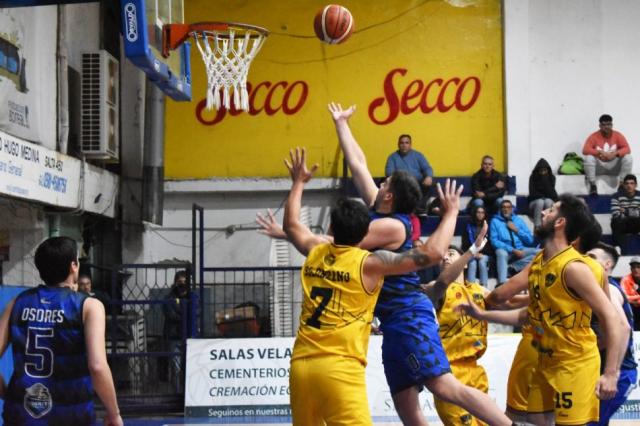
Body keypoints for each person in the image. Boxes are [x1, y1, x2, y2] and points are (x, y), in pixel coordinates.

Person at [327, 103, 511, 426]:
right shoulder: (380, 209)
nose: (379, 183)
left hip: (408, 316)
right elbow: (358, 164)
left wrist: (306, 238)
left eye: (385, 183)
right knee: (406, 406)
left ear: (390, 197)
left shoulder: (391, 226)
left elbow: (342, 241)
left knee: (446, 387)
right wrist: (342, 125)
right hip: (392, 321)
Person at [284, 147, 481, 425]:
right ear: (365, 232)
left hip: (301, 364)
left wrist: (298, 183)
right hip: (340, 367)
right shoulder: (370, 264)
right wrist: (450, 214)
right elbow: (432, 253)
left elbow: (292, 225)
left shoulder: (315, 249)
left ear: (332, 228)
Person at [460, 195, 629, 425]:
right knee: (535, 420)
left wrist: (611, 373)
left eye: (550, 210)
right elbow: (527, 314)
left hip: (574, 364)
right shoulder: (540, 261)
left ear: (560, 222)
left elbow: (612, 318)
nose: (542, 213)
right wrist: (482, 314)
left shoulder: (574, 268)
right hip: (545, 361)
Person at [0, 236, 122, 425]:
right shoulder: (89, 306)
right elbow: (97, 366)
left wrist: (6, 393)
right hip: (71, 414)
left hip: (23, 412)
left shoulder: (17, 302)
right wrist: (114, 413)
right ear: (73, 266)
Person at [420, 233, 494, 426]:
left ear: (465, 264)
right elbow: (443, 283)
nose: (445, 257)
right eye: (443, 256)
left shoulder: (478, 290)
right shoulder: (435, 287)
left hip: (475, 370)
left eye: (451, 254)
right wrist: (472, 250)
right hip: (448, 372)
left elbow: (506, 300)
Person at [587, 242, 638, 425]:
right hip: (608, 370)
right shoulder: (598, 287)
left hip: (620, 372)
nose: (586, 260)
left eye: (592, 257)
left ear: (607, 264)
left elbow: (622, 327)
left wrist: (612, 374)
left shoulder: (608, 287)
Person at [489, 199, 538, 286]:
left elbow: (530, 240)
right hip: (506, 251)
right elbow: (494, 241)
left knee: (540, 252)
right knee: (501, 252)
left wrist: (516, 230)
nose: (506, 209)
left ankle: (513, 267)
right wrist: (512, 250)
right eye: (503, 207)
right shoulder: (495, 221)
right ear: (500, 209)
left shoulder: (518, 220)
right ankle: (502, 283)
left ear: (512, 209)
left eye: (508, 207)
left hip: (520, 249)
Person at [583, 114, 633, 196]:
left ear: (612, 125)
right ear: (600, 126)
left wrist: (615, 154)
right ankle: (593, 185)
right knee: (588, 158)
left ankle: (621, 184)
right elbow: (585, 150)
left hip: (614, 167)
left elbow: (628, 149)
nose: (606, 127)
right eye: (604, 125)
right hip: (599, 167)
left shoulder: (618, 135)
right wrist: (600, 152)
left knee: (628, 158)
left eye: (608, 124)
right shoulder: (593, 136)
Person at [385, 134, 433, 212]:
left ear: (410, 145)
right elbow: (389, 172)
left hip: (417, 183)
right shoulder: (392, 157)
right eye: (402, 143)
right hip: (401, 183)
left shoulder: (418, 155)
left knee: (430, 183)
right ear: (398, 144)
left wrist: (429, 177)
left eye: (406, 143)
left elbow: (427, 168)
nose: (404, 145)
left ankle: (421, 209)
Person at [163, 270, 190, 392]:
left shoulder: (192, 296)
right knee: (176, 368)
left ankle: (187, 395)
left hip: (189, 337)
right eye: (180, 282)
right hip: (174, 337)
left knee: (189, 368)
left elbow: (196, 312)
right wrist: (186, 314)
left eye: (185, 282)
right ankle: (176, 394)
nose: (182, 284)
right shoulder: (169, 298)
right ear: (175, 283)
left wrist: (182, 312)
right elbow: (171, 315)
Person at [462, 205, 491, 286]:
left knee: (482, 262)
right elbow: (465, 243)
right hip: (471, 253)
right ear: (475, 213)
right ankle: (470, 287)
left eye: (482, 212)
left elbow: (489, 244)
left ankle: (484, 286)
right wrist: (474, 253)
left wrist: (481, 253)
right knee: (472, 263)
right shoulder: (468, 226)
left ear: (485, 214)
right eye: (478, 212)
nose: (480, 214)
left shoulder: (487, 226)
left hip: (485, 254)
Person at [610, 174, 640, 249]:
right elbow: (615, 214)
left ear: (636, 185)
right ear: (623, 185)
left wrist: (626, 211)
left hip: (636, 224)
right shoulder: (616, 196)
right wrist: (634, 212)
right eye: (627, 183)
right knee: (615, 221)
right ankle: (618, 248)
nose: (629, 186)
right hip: (623, 224)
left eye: (632, 183)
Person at [528, 158, 558, 229]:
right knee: (540, 202)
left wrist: (545, 179)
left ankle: (547, 225)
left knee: (548, 201)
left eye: (545, 170)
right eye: (541, 171)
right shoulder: (533, 177)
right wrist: (542, 197)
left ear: (548, 170)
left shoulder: (551, 178)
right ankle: (537, 226)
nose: (543, 172)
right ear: (538, 170)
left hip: (548, 200)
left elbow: (552, 193)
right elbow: (532, 193)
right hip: (534, 202)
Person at [620, 256, 640, 330]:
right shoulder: (625, 280)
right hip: (632, 308)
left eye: (638, 267)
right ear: (631, 269)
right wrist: (636, 299)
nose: (636, 269)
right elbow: (624, 297)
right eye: (633, 267)